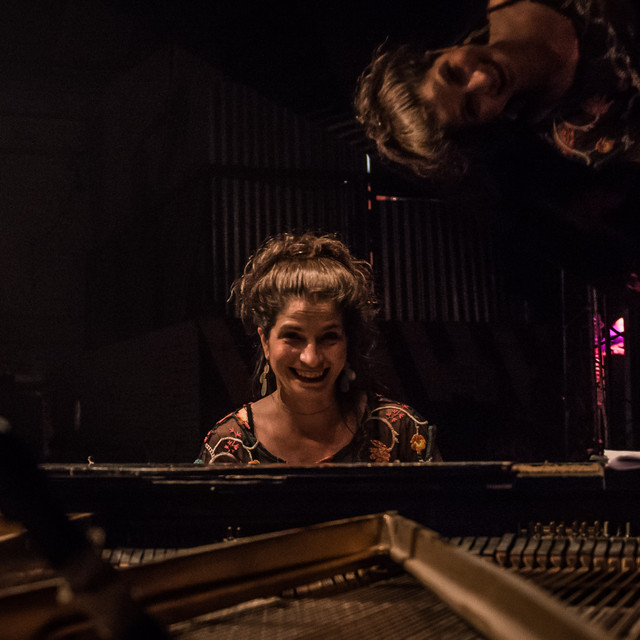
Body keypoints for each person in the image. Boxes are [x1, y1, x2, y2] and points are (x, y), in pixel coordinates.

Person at [195, 232, 440, 465]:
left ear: (347, 340)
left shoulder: (401, 432)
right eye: (293, 337)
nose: (311, 358)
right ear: (265, 342)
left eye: (329, 337)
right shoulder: (229, 446)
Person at [354, 0, 640, 179]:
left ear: (441, 51)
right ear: (482, 125)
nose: (481, 79)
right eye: (470, 107)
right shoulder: (581, 135)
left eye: (453, 73)